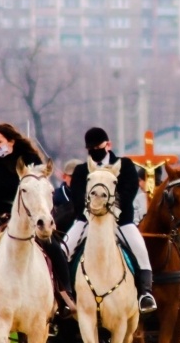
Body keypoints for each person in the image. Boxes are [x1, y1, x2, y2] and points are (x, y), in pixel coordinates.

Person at [0, 123, 74, 318]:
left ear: (11, 141)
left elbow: (41, 190)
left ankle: (65, 295)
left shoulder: (30, 159)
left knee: (54, 248)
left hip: (28, 220)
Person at [64, 127, 156, 313]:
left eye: (98, 147)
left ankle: (145, 293)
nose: (94, 151)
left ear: (108, 145)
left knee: (140, 249)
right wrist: (92, 212)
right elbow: (77, 197)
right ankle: (64, 297)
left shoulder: (125, 165)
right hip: (88, 221)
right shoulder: (81, 170)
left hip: (120, 221)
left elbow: (129, 190)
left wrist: (112, 210)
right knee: (63, 249)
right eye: (91, 149)